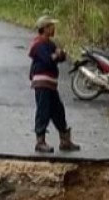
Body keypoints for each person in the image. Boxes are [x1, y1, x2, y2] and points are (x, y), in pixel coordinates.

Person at [29, 15, 80, 153]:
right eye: (51, 26)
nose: (53, 28)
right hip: (42, 81)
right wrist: (56, 55)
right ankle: (40, 141)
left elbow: (59, 57)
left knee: (58, 110)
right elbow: (48, 60)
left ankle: (64, 139)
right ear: (44, 28)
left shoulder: (49, 44)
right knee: (43, 110)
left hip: (50, 83)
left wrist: (58, 55)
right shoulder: (38, 44)